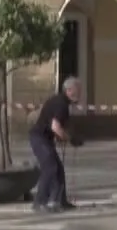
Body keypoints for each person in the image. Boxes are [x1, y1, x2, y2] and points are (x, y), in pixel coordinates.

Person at [32, 76, 83, 213]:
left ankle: (61, 201)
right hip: (39, 138)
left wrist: (66, 136)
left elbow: (56, 125)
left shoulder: (61, 102)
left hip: (44, 139)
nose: (80, 93)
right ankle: (40, 202)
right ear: (69, 90)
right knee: (50, 168)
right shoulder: (61, 104)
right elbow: (55, 126)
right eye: (77, 90)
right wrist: (69, 139)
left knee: (58, 169)